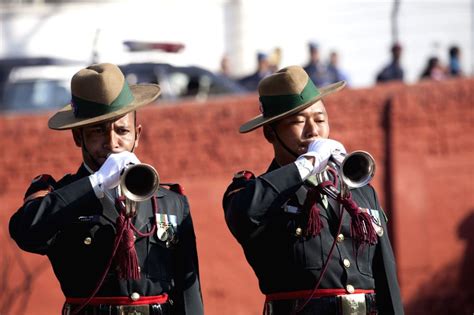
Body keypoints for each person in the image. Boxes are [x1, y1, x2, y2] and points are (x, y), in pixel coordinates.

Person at [9, 63, 204, 315]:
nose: (113, 143)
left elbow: (189, 295)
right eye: (97, 132)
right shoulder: (62, 194)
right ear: (78, 137)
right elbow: (26, 232)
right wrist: (96, 183)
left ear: (138, 134)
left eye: (122, 130)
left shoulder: (171, 201)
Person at [223, 65, 404, 314]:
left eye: (320, 120)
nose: (314, 131)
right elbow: (244, 214)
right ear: (269, 133)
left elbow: (386, 279)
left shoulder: (360, 189)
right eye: (298, 122)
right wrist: (304, 166)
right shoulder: (253, 192)